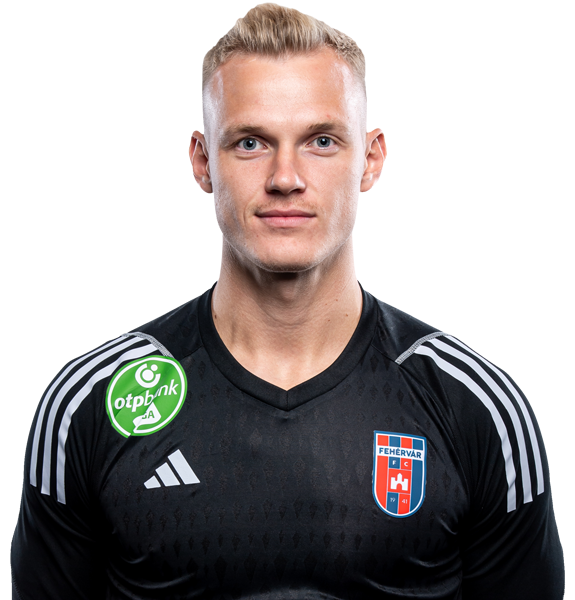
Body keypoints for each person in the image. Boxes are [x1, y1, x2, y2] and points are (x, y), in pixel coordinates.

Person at [11, 5, 563, 599]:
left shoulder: (472, 406)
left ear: (370, 160)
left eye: (321, 141)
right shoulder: (92, 405)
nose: (285, 177)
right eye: (250, 142)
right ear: (202, 162)